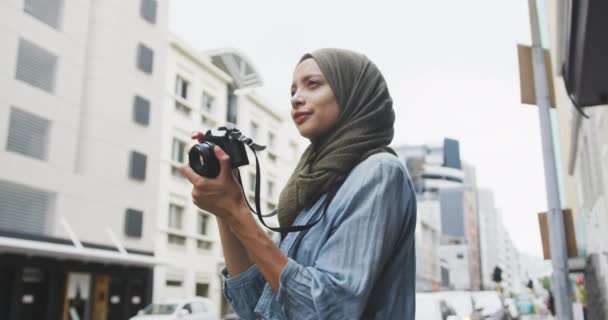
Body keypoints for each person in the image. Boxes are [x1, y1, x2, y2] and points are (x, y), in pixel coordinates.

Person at [180, 48, 417, 319]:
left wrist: (236, 211)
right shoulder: (310, 188)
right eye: (292, 91)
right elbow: (255, 307)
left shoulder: (379, 173)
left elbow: (326, 311)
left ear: (352, 92)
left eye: (312, 84)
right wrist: (225, 205)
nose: (296, 99)